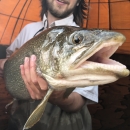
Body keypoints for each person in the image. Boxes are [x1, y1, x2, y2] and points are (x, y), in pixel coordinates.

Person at [0, 0, 98, 130]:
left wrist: (58, 97)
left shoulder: (85, 43)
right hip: (19, 117)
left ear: (79, 2)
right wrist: (3, 64)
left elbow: (79, 101)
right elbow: (8, 59)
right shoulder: (28, 29)